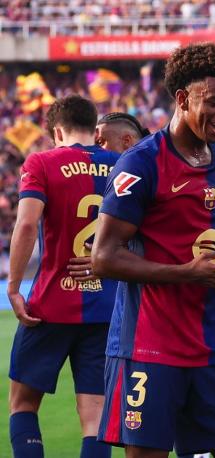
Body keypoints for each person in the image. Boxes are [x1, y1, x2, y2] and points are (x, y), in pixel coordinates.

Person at [92, 42, 215, 458]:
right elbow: (104, 257)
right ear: (183, 99)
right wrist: (187, 273)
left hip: (212, 345)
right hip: (148, 347)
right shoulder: (141, 164)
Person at [7, 94, 121, 458]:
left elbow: (26, 225)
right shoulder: (122, 164)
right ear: (95, 130)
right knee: (95, 417)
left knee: (23, 405)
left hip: (49, 305)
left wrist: (13, 287)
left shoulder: (42, 162)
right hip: (106, 306)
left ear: (57, 130)